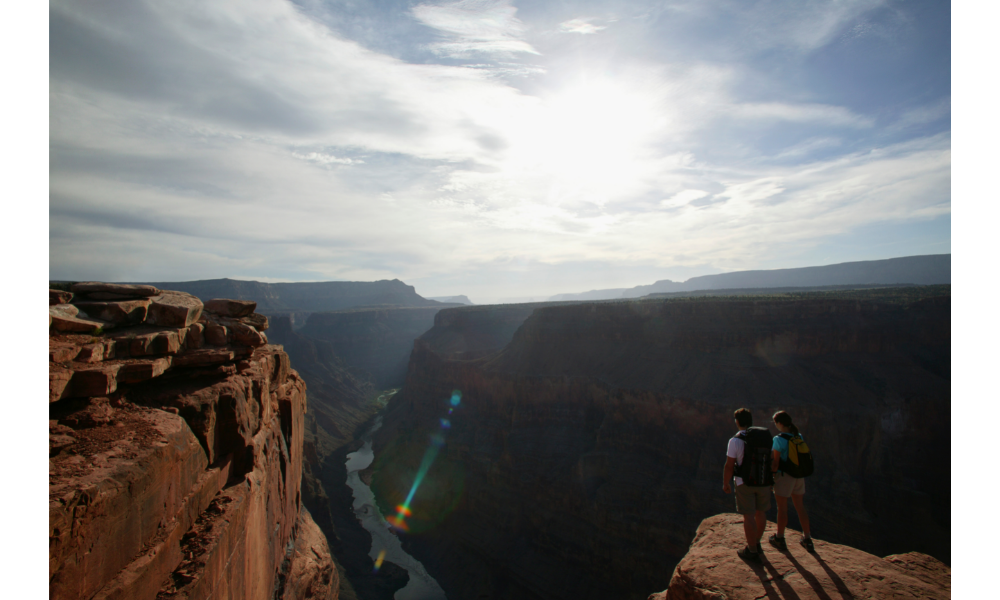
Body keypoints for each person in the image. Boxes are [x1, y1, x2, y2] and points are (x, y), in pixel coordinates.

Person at [723, 408, 771, 562]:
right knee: (761, 512)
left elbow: (729, 465)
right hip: (764, 480)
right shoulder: (764, 437)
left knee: (748, 516)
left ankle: (751, 550)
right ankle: (757, 543)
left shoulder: (735, 440)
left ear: (737, 422)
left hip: (744, 482)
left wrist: (726, 483)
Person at [768, 410, 814, 552]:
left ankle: (780, 538)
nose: (775, 425)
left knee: (782, 508)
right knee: (800, 507)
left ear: (780, 423)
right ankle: (807, 539)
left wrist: (770, 478)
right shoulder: (797, 435)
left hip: (784, 477)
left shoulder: (778, 439)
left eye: (776, 423)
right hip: (799, 477)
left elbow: (775, 463)